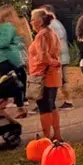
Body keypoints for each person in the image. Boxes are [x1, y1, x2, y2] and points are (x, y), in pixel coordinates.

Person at [28, 9, 63, 140]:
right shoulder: (52, 33)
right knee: (51, 105)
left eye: (32, 19)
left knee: (44, 107)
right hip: (52, 75)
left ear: (40, 21)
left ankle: (47, 138)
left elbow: (43, 57)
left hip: (43, 75)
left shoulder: (41, 35)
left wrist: (54, 63)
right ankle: (57, 135)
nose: (31, 22)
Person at [0, 5, 29, 118]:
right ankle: (16, 107)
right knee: (9, 83)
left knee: (6, 83)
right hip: (9, 58)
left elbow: (5, 42)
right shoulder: (10, 26)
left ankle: (3, 108)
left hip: (7, 59)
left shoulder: (7, 26)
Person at [41, 5, 74, 110]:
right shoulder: (57, 23)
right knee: (61, 80)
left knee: (59, 80)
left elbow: (54, 40)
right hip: (62, 57)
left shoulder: (52, 24)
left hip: (58, 57)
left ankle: (65, 102)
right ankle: (65, 102)